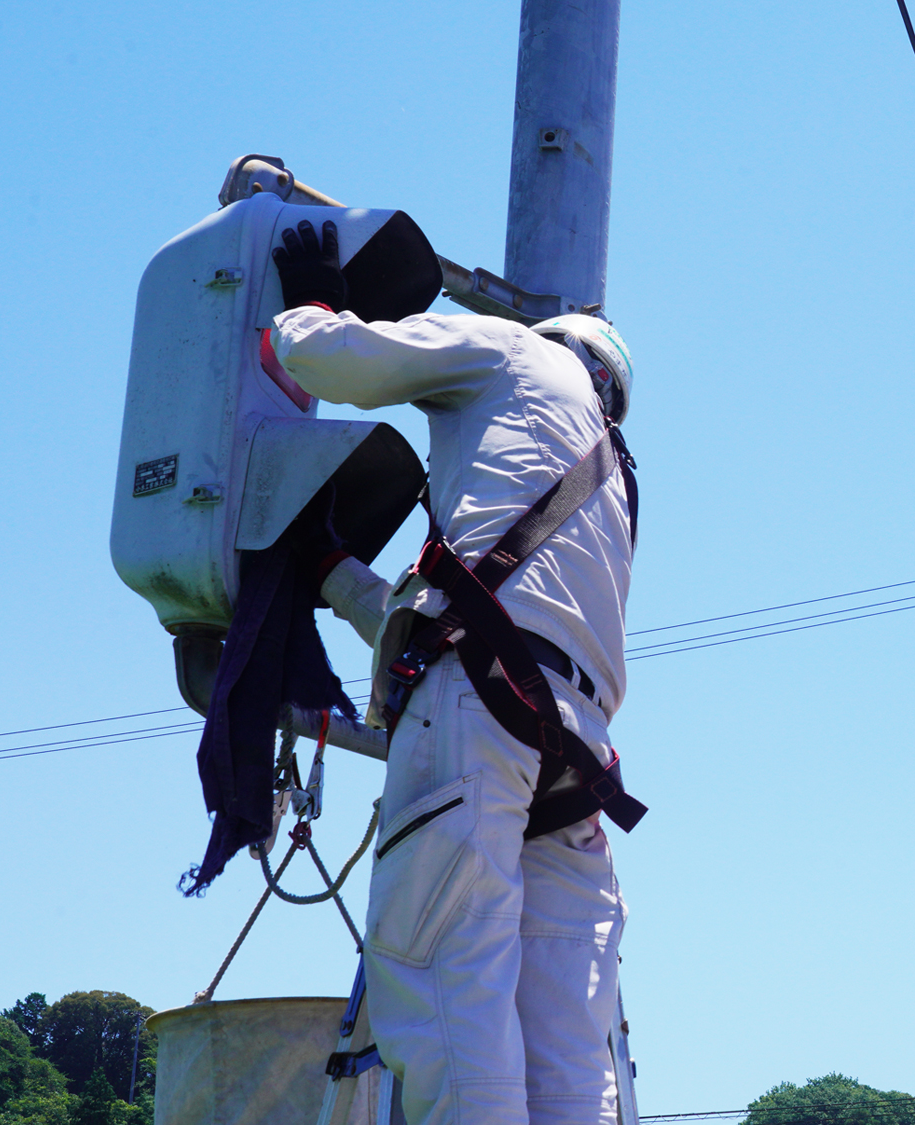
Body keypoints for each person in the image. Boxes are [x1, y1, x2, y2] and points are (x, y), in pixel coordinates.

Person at [269, 218, 640, 1125]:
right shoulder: (615, 480)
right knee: (566, 1048)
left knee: (446, 982)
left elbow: (336, 362)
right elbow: (463, 609)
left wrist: (307, 308)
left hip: (480, 718)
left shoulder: (514, 354)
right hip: (568, 757)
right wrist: (334, 576)